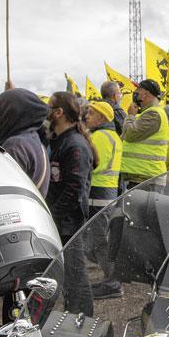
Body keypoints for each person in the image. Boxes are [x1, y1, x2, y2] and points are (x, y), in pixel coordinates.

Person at [46, 92, 96, 317]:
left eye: (49, 107)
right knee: (68, 278)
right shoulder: (60, 140)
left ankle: (82, 324)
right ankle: (70, 317)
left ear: (59, 113)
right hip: (62, 222)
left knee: (76, 277)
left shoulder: (75, 144)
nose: (45, 112)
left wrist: (52, 216)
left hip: (70, 224)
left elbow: (75, 188)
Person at [85, 100, 123, 299]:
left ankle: (112, 282)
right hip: (107, 193)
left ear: (101, 117)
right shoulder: (113, 135)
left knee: (99, 241)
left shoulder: (99, 136)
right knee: (99, 241)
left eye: (91, 113)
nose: (87, 116)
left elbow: (92, 164)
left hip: (97, 194)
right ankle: (112, 279)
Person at [0, 87, 50, 194]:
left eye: (3, 111)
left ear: (13, 113)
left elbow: (3, 190)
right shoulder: (32, 139)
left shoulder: (16, 145)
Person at [120, 79, 169, 188]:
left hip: (147, 179)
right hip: (141, 177)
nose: (135, 93)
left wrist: (130, 116)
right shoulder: (145, 113)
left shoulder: (153, 114)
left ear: (146, 94)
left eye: (138, 90)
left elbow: (129, 135)